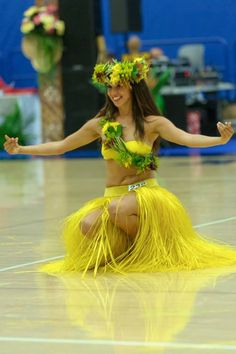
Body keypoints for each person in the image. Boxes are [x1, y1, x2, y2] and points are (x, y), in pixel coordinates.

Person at [4, 57, 236, 277]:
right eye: (110, 88)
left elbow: (186, 138)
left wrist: (219, 140)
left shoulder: (152, 123)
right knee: (87, 224)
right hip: (113, 196)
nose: (114, 93)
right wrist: (22, 150)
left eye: (119, 87)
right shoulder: (100, 125)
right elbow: (63, 145)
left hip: (144, 195)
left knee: (119, 209)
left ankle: (148, 250)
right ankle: (129, 253)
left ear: (133, 88)